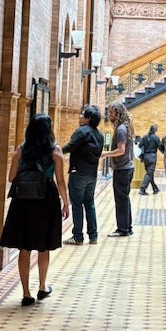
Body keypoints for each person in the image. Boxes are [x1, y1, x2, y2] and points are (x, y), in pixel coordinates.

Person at [0, 114, 69, 306]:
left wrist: (25, 171)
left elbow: (11, 177)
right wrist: (66, 203)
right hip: (47, 200)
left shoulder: (21, 150)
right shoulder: (55, 151)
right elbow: (61, 181)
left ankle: (26, 293)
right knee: (43, 245)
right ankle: (42, 287)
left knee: (25, 246)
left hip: (23, 202)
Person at [62, 104, 104, 245]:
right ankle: (93, 235)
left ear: (89, 118)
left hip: (78, 172)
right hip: (92, 174)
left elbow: (70, 147)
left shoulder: (81, 132)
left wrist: (56, 151)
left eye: (83, 114)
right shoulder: (100, 135)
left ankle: (78, 236)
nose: (80, 116)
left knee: (77, 204)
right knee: (90, 203)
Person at [106, 101, 135, 236]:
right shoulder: (125, 127)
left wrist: (106, 154)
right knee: (124, 198)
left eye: (111, 112)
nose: (109, 115)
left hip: (123, 168)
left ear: (117, 113)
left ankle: (123, 228)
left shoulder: (121, 129)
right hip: (126, 168)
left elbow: (121, 150)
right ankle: (127, 227)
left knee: (121, 199)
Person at [137, 123, 162, 196]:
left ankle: (155, 188)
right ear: (155, 130)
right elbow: (160, 147)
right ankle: (142, 189)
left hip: (145, 157)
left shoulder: (144, 137)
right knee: (149, 173)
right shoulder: (156, 138)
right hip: (152, 157)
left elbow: (140, 146)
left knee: (149, 173)